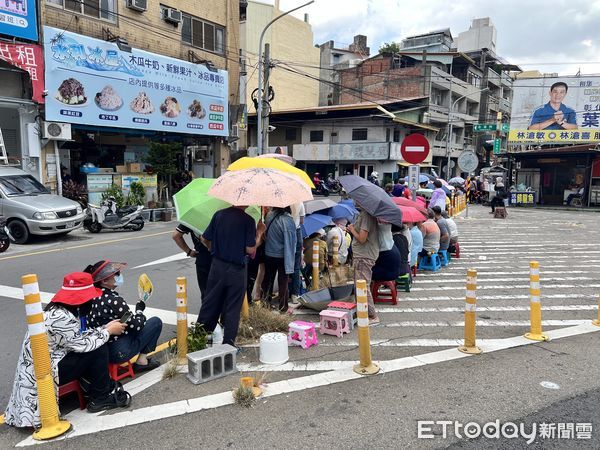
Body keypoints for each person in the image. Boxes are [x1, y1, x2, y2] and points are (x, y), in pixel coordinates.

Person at [4, 272, 130, 425]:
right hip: (44, 375)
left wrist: (105, 327)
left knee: (96, 345)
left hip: (47, 365)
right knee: (98, 350)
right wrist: (109, 331)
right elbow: (84, 344)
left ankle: (96, 389)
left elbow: (77, 337)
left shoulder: (59, 311)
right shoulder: (61, 318)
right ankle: (100, 399)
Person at [199, 206, 263, 347]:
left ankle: (198, 338)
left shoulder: (219, 214)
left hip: (217, 266)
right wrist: (259, 234)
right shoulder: (248, 220)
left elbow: (204, 238)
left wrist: (212, 248)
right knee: (233, 307)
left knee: (210, 302)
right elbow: (250, 249)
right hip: (237, 270)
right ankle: (228, 344)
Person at [86, 260, 163, 371]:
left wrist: (132, 315)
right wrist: (139, 311)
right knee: (155, 322)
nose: (119, 276)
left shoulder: (91, 296)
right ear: (104, 280)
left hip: (98, 350)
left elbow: (122, 319)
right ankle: (142, 361)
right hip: (118, 351)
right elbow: (137, 325)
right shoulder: (114, 300)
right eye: (116, 274)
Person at [347, 205, 380, 325]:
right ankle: (362, 311)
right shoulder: (366, 214)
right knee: (360, 284)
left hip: (364, 255)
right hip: (364, 254)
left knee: (362, 285)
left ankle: (372, 315)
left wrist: (352, 229)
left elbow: (362, 238)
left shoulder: (366, 215)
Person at [261, 207, 297, 312]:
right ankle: (283, 307)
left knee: (268, 279)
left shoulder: (269, 216)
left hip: (268, 253)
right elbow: (291, 241)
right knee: (283, 282)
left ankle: (265, 304)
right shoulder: (288, 220)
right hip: (283, 256)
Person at [172, 223, 213, 300]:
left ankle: (208, 311)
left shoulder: (191, 219)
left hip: (203, 259)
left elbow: (176, 235)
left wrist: (189, 251)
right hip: (224, 260)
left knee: (206, 293)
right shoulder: (224, 216)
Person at [289, 202, 306, 300]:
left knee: (284, 264)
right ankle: (295, 294)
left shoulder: (283, 202)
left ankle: (285, 292)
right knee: (296, 266)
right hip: (296, 231)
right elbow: (302, 221)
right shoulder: (299, 202)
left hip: (284, 232)